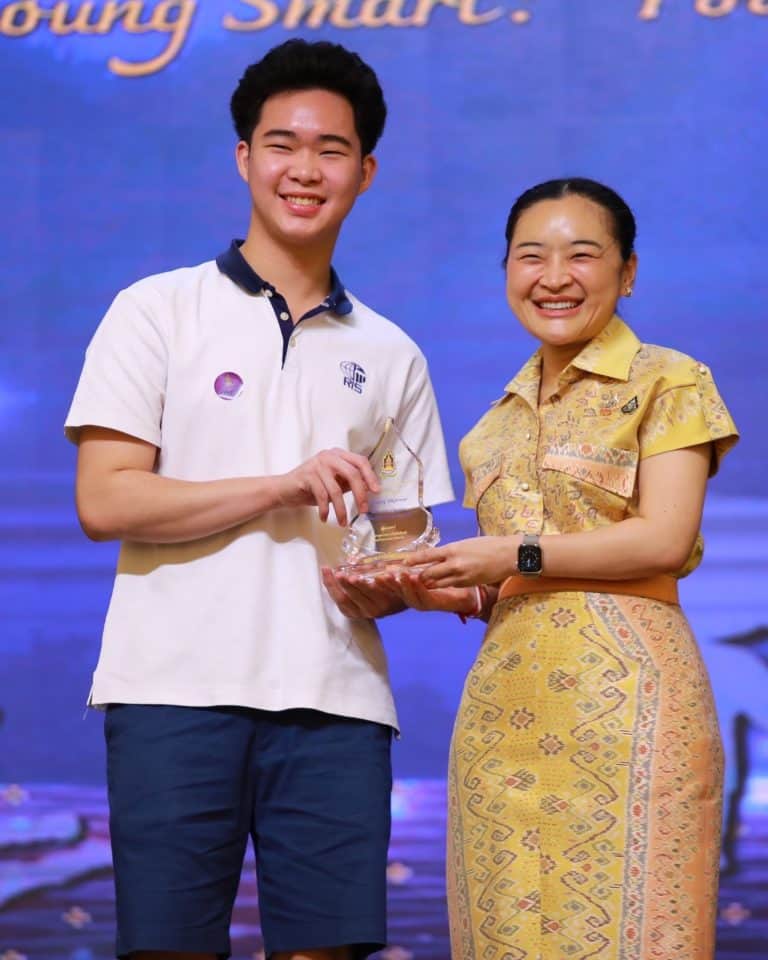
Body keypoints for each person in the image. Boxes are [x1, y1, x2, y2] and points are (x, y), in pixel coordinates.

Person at [64, 39, 453, 960]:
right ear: (245, 157)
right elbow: (106, 501)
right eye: (283, 144)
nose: (304, 170)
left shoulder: (392, 352)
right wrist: (281, 486)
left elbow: (401, 544)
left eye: (331, 150)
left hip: (337, 702)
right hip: (171, 691)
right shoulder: (156, 311)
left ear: (365, 171)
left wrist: (420, 583)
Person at [337, 178, 739, 959]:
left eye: (581, 255)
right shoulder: (491, 426)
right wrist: (434, 587)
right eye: (531, 257)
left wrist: (511, 554)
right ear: (506, 273)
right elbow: (510, 583)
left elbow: (663, 541)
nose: (554, 277)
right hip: (503, 716)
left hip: (630, 709)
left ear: (627, 272)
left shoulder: (669, 380)